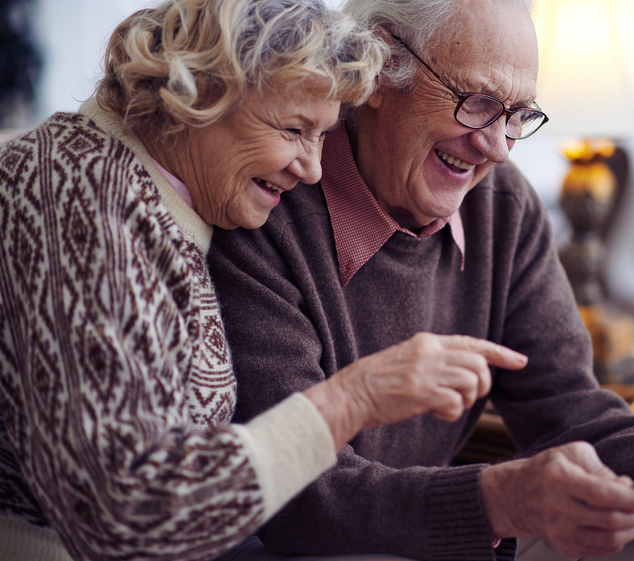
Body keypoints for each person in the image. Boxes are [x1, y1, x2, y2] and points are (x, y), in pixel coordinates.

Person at [208, 0, 634, 559]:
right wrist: (494, 500)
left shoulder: (501, 203)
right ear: (380, 67)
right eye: (477, 100)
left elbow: (568, 405)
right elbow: (293, 497)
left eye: (518, 115)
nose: (496, 146)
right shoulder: (265, 202)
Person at [0, 1, 529, 560]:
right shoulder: (80, 196)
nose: (313, 168)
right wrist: (354, 397)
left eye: (322, 134)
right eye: (294, 129)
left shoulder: (167, 199)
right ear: (198, 96)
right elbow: (125, 515)